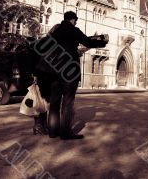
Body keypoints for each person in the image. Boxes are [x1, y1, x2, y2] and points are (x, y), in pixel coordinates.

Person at [36, 11, 108, 140]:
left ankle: (53, 132)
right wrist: (103, 42)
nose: (76, 22)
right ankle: (65, 133)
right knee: (68, 103)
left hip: (54, 71)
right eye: (76, 20)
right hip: (69, 72)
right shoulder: (74, 30)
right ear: (73, 19)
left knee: (54, 102)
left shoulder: (56, 31)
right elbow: (88, 42)